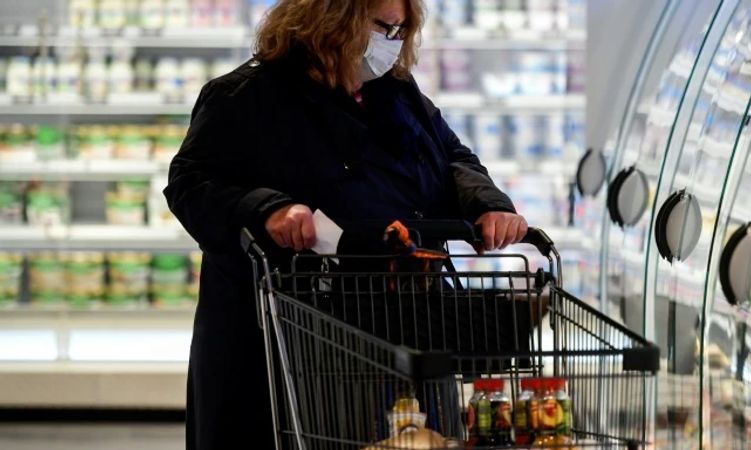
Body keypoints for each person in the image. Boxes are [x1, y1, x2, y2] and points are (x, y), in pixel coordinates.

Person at [164, 0, 528, 448]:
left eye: (399, 32)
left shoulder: (398, 93)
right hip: (285, 337)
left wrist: (488, 204)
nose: (389, 45)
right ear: (330, 16)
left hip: (399, 329)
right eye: (380, 27)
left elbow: (452, 158)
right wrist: (268, 210)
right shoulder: (246, 97)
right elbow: (190, 184)